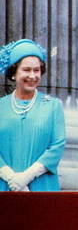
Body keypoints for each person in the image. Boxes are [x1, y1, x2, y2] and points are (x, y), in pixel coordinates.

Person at [0, 39, 66, 191]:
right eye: (26, 70)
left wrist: (26, 177)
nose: (32, 75)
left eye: (36, 70)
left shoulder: (53, 106)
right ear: (13, 73)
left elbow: (56, 146)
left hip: (41, 186)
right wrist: (12, 178)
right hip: (4, 185)